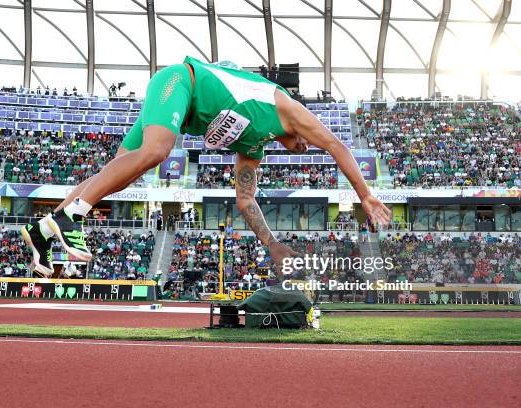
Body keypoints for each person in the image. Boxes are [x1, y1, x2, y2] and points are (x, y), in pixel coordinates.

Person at [22, 56, 391, 277]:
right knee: (157, 152)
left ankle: (42, 230)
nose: (307, 145)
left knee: (121, 170)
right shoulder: (288, 108)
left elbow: (246, 200)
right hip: (180, 81)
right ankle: (73, 215)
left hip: (180, 112)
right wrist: (366, 196)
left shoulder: (254, 145)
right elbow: (337, 146)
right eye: (307, 140)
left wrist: (273, 244)